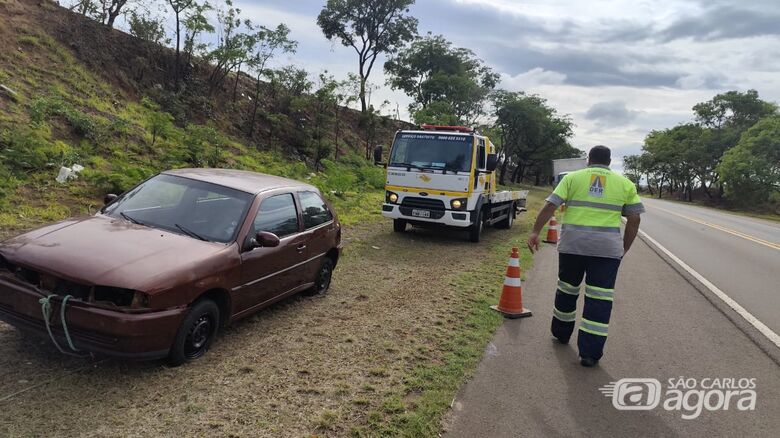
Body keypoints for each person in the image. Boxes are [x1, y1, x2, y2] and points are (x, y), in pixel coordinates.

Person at [527, 145, 644, 367]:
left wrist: (535, 231)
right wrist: (623, 248)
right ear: (609, 162)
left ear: (589, 160)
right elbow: (635, 219)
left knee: (567, 289)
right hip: (607, 251)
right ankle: (589, 354)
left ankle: (561, 333)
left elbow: (550, 206)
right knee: (599, 299)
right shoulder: (625, 184)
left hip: (573, 246)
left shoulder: (572, 178)